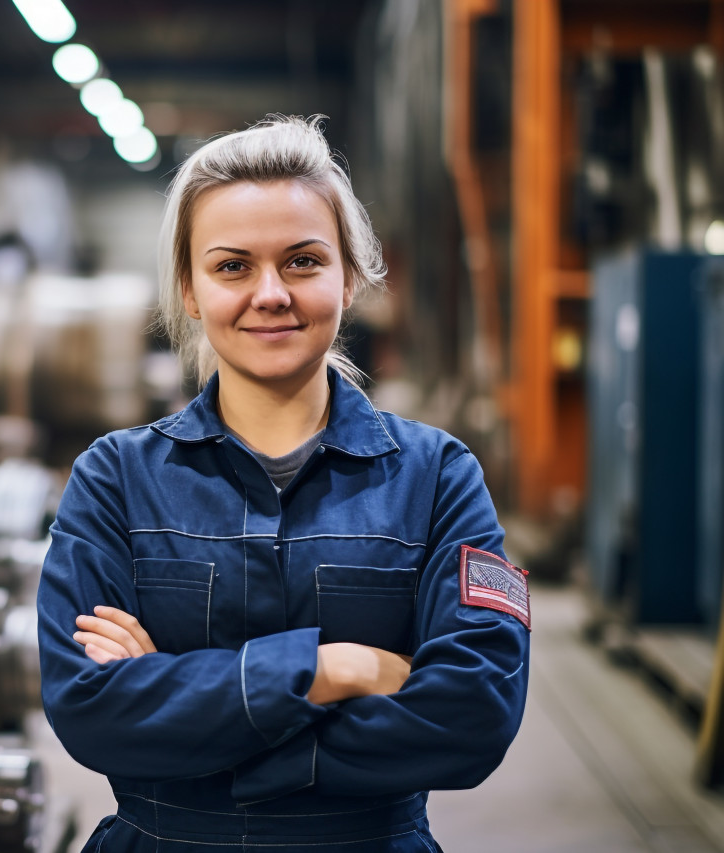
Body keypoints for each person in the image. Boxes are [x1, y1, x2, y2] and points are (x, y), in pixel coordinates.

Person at [35, 115, 530, 853]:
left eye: (302, 261)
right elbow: (89, 707)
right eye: (232, 266)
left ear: (350, 277)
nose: (270, 293)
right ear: (190, 290)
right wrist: (339, 668)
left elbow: (474, 713)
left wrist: (191, 709)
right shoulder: (116, 477)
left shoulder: (437, 476)